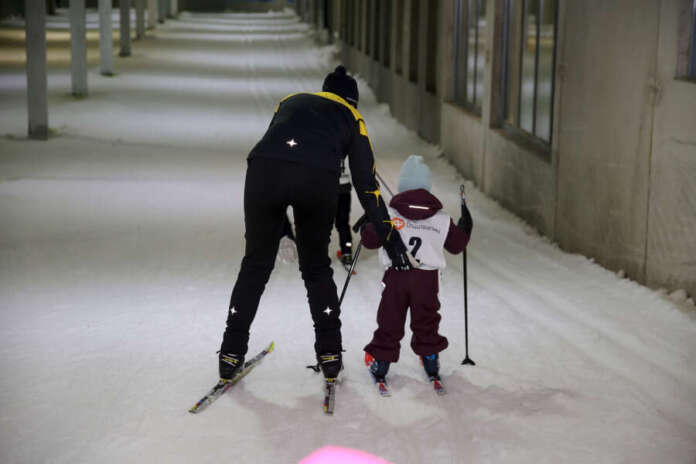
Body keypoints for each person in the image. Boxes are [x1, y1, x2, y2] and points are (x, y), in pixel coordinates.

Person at [218, 65, 412, 382]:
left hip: (263, 171)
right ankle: (330, 355)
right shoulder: (352, 116)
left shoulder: (290, 100)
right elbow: (366, 183)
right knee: (316, 268)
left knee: (255, 264)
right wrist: (389, 235)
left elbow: (277, 147)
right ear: (353, 99)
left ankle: (230, 354)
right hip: (317, 177)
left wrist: (282, 228)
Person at [361, 155, 473, 382]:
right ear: (427, 187)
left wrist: (370, 221)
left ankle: (381, 363)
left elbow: (369, 241)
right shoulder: (441, 219)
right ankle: (431, 359)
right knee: (426, 319)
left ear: (402, 187)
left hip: (396, 277)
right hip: (427, 280)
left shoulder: (390, 215)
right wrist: (465, 226)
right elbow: (457, 245)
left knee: (390, 318)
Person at [335, 159, 354, 270]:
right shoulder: (347, 144)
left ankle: (319, 256)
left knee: (323, 224)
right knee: (343, 224)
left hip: (327, 189)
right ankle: (347, 254)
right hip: (344, 189)